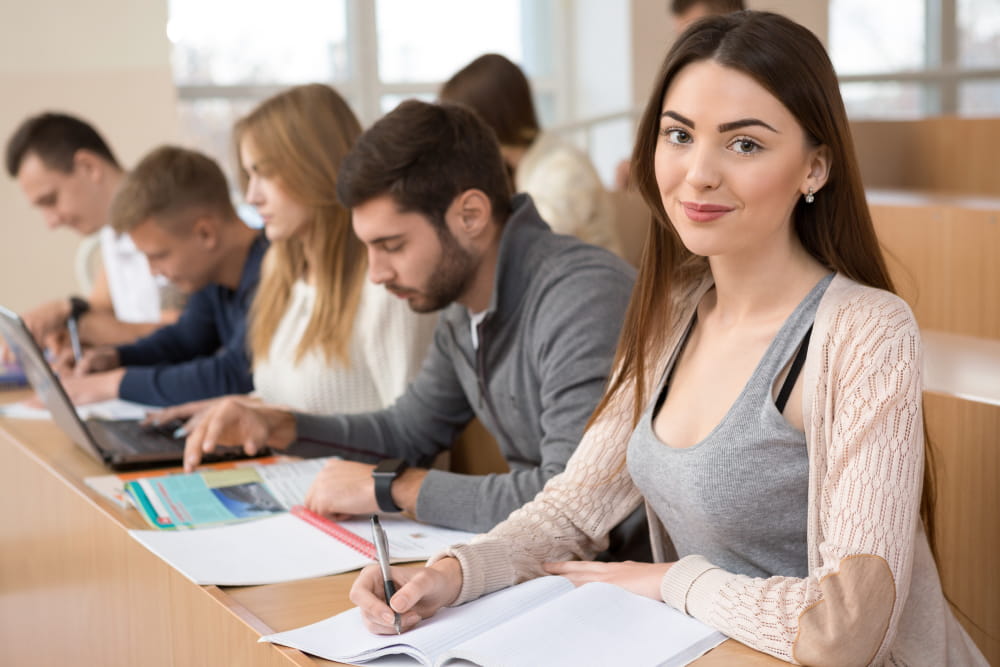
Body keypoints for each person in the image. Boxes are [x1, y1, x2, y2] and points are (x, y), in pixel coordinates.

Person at [348, 12, 988, 666]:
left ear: (815, 168)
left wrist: (670, 581)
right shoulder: (672, 314)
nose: (697, 173)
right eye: (678, 135)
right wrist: (452, 572)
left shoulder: (864, 331)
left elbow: (846, 628)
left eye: (744, 144)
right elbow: (572, 509)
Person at [175, 100, 640, 542]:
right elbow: (408, 432)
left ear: (470, 215)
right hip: (555, 563)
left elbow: (573, 502)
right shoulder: (463, 302)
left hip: (636, 584)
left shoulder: (581, 296)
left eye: (392, 246)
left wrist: (392, 488)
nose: (376, 274)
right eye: (369, 248)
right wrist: (280, 426)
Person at [149, 84, 436, 419]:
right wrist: (232, 410)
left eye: (265, 173)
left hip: (345, 473)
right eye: (249, 174)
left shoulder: (386, 285)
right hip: (282, 468)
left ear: (314, 168)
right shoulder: (280, 269)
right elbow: (290, 401)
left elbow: (417, 439)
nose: (253, 196)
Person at [59, 145, 267, 407]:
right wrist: (117, 358)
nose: (152, 271)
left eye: (158, 256)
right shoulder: (214, 276)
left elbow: (235, 374)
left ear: (205, 233)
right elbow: (184, 340)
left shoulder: (273, 271)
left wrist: (114, 383)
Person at [4, 113, 181, 353]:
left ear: (89, 167)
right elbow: (98, 308)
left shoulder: (170, 217)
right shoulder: (113, 232)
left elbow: (194, 332)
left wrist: (89, 324)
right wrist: (66, 320)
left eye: (51, 200)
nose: (51, 222)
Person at [440, 54, 622, 257]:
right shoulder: (518, 166)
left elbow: (531, 248)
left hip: (590, 282)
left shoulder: (563, 168)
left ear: (489, 119)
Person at [613, 0, 746, 191]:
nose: (685, 47)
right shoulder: (681, 85)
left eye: (746, 145)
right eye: (681, 136)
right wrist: (639, 165)